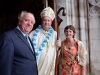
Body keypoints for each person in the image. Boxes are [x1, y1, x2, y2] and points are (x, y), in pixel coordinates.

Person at [0, 11, 38, 75]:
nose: (29, 24)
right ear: (20, 21)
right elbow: (5, 67)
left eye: (32, 22)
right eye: (26, 20)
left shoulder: (28, 38)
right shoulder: (8, 37)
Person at [29, 7, 61, 75]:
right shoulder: (33, 34)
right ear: (42, 21)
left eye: (48, 20)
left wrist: (60, 46)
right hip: (36, 68)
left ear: (51, 22)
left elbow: (59, 52)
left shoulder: (55, 34)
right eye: (45, 20)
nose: (46, 22)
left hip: (49, 69)